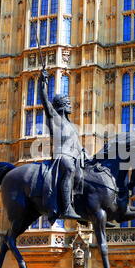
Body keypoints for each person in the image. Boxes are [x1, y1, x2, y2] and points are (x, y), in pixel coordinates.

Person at [39, 69, 88, 220]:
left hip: (74, 156)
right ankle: (66, 208)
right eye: (67, 103)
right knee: (69, 169)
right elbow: (46, 102)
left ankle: (89, 211)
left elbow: (78, 146)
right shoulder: (55, 119)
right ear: (61, 106)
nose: (70, 105)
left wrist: (87, 155)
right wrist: (43, 84)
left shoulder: (71, 125)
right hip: (62, 157)